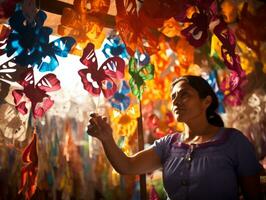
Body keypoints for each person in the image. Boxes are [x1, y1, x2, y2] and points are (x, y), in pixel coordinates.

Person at [87, 75, 262, 200]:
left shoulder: (234, 141)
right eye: (173, 97)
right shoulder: (168, 144)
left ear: (206, 101)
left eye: (184, 94)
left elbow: (253, 195)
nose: (176, 102)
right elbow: (127, 166)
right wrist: (106, 138)